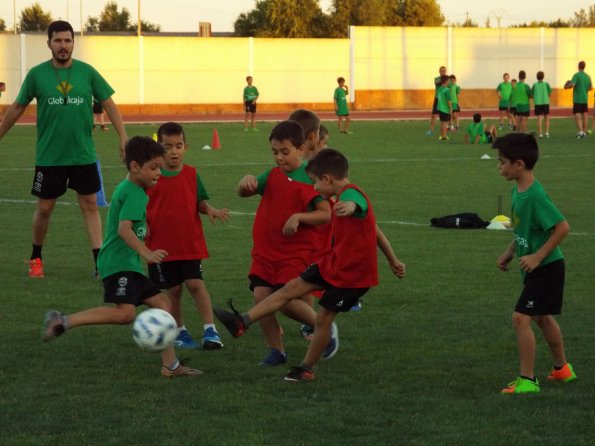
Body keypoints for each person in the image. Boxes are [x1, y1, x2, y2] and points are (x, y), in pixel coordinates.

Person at [215, 149, 406, 382]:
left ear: (327, 179)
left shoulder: (352, 195)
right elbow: (374, 230)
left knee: (324, 318)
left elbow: (356, 202)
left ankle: (306, 368)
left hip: (352, 276)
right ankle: (242, 322)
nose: (314, 188)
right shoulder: (337, 197)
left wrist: (351, 207)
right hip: (333, 263)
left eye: (315, 182)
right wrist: (393, 259)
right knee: (289, 289)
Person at [42, 136, 202, 378]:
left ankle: (170, 366)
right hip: (118, 264)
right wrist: (145, 251)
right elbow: (123, 229)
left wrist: (144, 227)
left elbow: (129, 222)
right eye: (153, 167)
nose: (158, 172)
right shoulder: (135, 193)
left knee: (163, 305)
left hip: (127, 264)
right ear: (135, 166)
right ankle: (64, 320)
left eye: (159, 167)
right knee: (126, 314)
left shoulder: (132, 188)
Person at [0, 20, 127, 279]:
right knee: (45, 208)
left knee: (90, 205)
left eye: (67, 40)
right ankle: (36, 257)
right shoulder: (37, 75)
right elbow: (16, 107)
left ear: (73, 43)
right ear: (49, 44)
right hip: (50, 156)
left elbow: (110, 104)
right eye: (57, 41)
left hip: (83, 154)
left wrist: (123, 136)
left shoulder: (87, 72)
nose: (63, 45)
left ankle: (99, 262)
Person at [236, 120, 335, 366]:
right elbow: (244, 192)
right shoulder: (271, 175)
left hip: (296, 252)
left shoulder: (310, 179)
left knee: (283, 298)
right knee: (261, 296)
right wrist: (245, 183)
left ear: (301, 149)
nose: (279, 158)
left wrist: (299, 216)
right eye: (274, 152)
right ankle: (277, 352)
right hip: (266, 250)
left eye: (285, 152)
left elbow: (326, 214)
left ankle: (324, 328)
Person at [493, 133, 576, 394]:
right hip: (536, 267)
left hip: (547, 267)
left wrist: (538, 256)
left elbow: (562, 227)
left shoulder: (535, 196)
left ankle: (527, 381)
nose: (499, 167)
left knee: (521, 318)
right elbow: (523, 229)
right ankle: (561, 369)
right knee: (541, 317)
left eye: (502, 161)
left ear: (519, 164)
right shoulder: (519, 191)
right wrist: (510, 251)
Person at [145, 122, 230, 350]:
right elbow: (140, 205)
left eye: (178, 145)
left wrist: (209, 209)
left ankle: (210, 330)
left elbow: (198, 201)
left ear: (186, 147)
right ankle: (180, 331)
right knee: (173, 290)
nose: (173, 151)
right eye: (167, 146)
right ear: (158, 148)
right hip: (160, 247)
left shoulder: (192, 174)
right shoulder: (151, 177)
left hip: (189, 243)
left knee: (195, 283)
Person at [564, 61, 592, 139]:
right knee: (585, 115)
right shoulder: (588, 76)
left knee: (578, 115)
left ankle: (580, 132)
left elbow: (572, 84)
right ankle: (585, 132)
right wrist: (584, 89)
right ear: (584, 67)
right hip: (585, 99)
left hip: (577, 99)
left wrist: (567, 86)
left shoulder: (576, 75)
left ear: (578, 66)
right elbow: (591, 88)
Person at [427, 66, 447, 135]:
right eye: (441, 71)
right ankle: (431, 130)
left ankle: (446, 128)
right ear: (439, 72)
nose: (443, 72)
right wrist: (444, 80)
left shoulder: (448, 79)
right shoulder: (436, 79)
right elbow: (438, 83)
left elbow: (449, 86)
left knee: (445, 115)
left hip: (445, 100)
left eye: (444, 71)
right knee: (433, 115)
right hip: (437, 99)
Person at [532, 71, 552, 138]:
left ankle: (540, 134)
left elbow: (532, 94)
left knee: (539, 119)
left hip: (538, 103)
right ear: (543, 77)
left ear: (536, 77)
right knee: (547, 118)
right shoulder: (546, 84)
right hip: (545, 102)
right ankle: (547, 133)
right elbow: (550, 93)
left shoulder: (535, 85)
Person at [436, 75, 452, 141]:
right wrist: (450, 108)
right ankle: (444, 136)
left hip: (440, 108)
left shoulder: (439, 89)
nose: (449, 82)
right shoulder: (447, 90)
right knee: (445, 123)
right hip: (445, 109)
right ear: (446, 81)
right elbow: (448, 100)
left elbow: (438, 98)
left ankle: (442, 135)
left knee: (442, 122)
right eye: (449, 81)